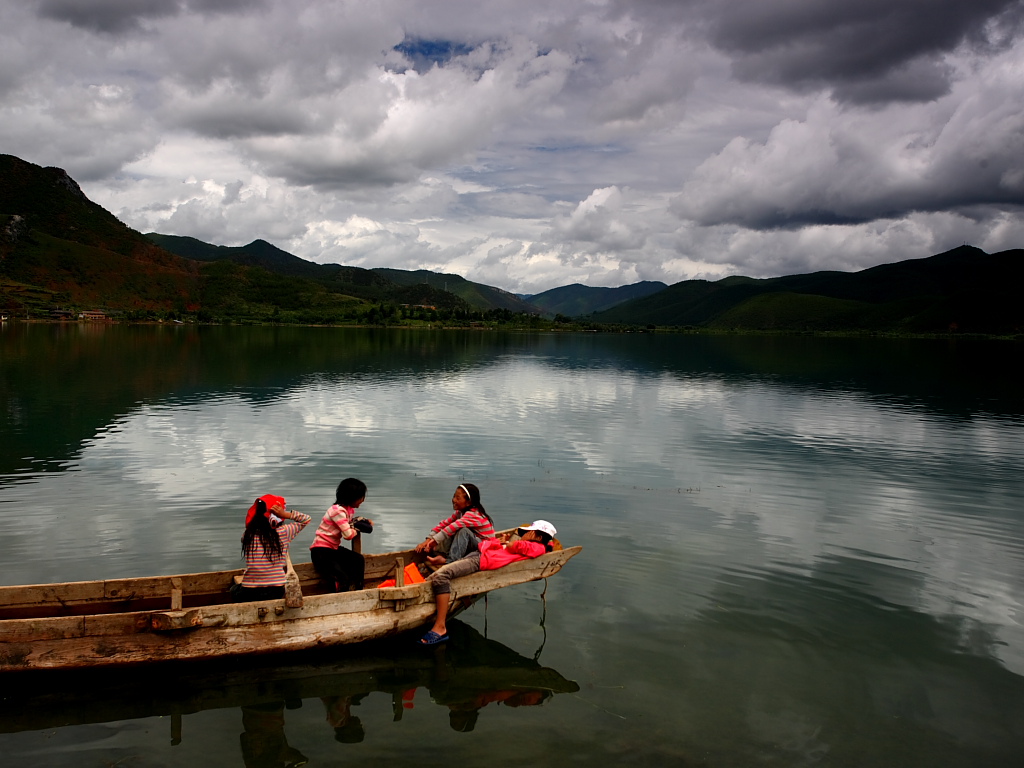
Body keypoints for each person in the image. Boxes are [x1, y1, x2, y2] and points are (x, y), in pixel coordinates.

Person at [419, 520, 557, 645]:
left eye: (529, 533)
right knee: (438, 573)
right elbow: (499, 545)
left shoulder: (537, 547)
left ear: (538, 537)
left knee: (441, 576)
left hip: (481, 561)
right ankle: (441, 565)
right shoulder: (530, 544)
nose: (524, 534)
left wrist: (513, 542)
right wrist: (502, 542)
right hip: (480, 553)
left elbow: (514, 546)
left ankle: (440, 627)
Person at [233, 494, 311, 603]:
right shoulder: (284, 532)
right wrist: (286, 514)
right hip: (276, 589)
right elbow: (306, 519)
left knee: (234, 589)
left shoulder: (247, 535)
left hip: (250, 590)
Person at [310, 478, 373, 592]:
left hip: (332, 549)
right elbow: (348, 535)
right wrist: (356, 528)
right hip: (321, 551)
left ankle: (359, 589)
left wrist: (365, 521)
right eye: (361, 497)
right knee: (341, 577)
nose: (362, 500)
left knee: (358, 560)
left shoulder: (348, 510)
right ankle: (338, 597)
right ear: (352, 497)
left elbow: (349, 523)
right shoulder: (337, 511)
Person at [414, 483, 495, 566]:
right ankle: (442, 554)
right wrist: (427, 541)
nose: (454, 500)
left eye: (458, 498)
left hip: (485, 549)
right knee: (450, 530)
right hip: (473, 546)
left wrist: (434, 541)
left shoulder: (473, 514)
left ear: (468, 503)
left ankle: (449, 561)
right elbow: (444, 524)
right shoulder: (459, 513)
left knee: (463, 531)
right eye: (454, 496)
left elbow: (452, 527)